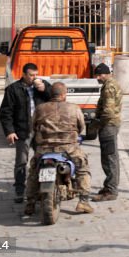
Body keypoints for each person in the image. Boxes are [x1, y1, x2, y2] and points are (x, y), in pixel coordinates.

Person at [24, 81, 94, 215]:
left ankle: (30, 203)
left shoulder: (40, 108)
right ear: (64, 94)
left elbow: (32, 126)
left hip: (44, 149)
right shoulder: (74, 108)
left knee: (33, 172)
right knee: (83, 170)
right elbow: (81, 127)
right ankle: (83, 202)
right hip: (69, 148)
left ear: (51, 94)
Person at [0, 62, 51, 203]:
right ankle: (20, 190)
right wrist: (9, 131)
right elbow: (5, 112)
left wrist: (44, 89)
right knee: (21, 162)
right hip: (23, 130)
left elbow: (55, 98)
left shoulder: (42, 85)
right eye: (31, 75)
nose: (34, 78)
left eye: (36, 75)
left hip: (41, 130)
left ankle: (43, 189)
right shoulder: (13, 89)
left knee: (44, 160)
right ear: (24, 74)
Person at [91, 62, 123, 201]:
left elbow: (108, 111)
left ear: (104, 74)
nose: (97, 78)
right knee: (110, 157)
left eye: (99, 75)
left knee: (109, 158)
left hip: (108, 126)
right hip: (111, 125)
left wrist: (97, 123)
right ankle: (110, 186)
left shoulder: (109, 87)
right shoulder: (112, 83)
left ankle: (111, 191)